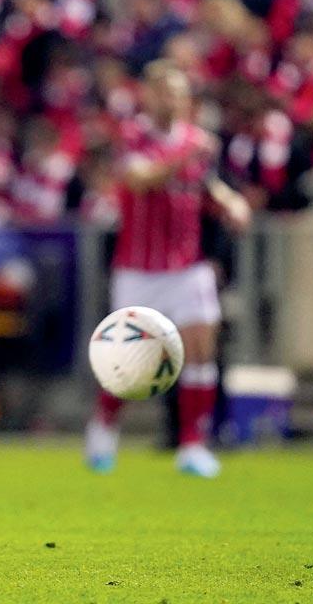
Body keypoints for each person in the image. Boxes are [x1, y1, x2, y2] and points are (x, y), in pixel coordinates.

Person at [82, 60, 251, 479]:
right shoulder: (134, 137)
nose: (170, 100)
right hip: (139, 268)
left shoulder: (196, 142)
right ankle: (104, 426)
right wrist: (185, 156)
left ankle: (193, 444)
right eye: (162, 92)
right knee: (127, 359)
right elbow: (140, 180)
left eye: (177, 92)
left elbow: (206, 186)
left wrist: (231, 202)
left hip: (187, 266)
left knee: (200, 351)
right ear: (147, 96)